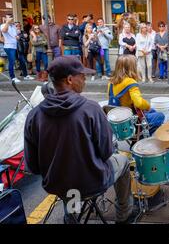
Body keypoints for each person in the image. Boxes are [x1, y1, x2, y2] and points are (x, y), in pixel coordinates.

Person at [24, 56, 136, 224]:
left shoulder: (34, 115)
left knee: (68, 179)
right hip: (92, 182)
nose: (85, 79)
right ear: (69, 79)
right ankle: (124, 215)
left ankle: (72, 217)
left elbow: (32, 166)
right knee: (123, 161)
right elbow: (106, 152)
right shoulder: (91, 109)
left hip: (57, 184)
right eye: (82, 75)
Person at [108, 54, 165, 136]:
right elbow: (139, 103)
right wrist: (148, 106)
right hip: (132, 120)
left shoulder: (111, 83)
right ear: (131, 67)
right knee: (160, 116)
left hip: (119, 118)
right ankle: (140, 138)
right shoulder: (130, 82)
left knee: (152, 111)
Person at [1, 13, 21, 82]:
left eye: (11, 17)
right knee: (11, 62)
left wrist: (17, 37)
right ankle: (12, 77)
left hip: (14, 46)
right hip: (8, 46)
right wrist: (7, 22)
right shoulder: (3, 25)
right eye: (8, 17)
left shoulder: (13, 26)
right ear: (5, 19)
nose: (10, 18)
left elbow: (14, 35)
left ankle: (12, 76)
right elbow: (4, 31)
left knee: (11, 61)